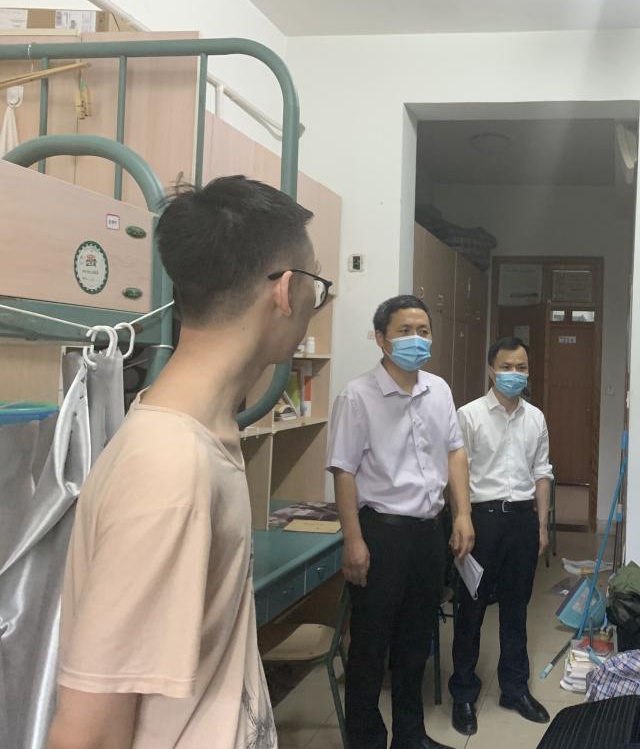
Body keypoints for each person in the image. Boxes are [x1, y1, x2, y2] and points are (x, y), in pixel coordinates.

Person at [48, 176, 325, 749]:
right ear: (286, 291)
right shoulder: (170, 469)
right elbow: (87, 733)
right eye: (316, 288)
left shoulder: (203, 434)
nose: (313, 307)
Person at [327, 294, 474, 749]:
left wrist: (462, 513)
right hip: (381, 535)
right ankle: (367, 741)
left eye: (423, 331)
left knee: (415, 644)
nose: (416, 339)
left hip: (428, 535)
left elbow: (455, 451)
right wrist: (353, 540)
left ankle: (410, 737)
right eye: (405, 331)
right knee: (370, 649)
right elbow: (343, 471)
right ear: (381, 339)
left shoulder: (439, 390)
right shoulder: (357, 396)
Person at [449, 337, 553, 736]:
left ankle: (515, 689)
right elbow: (457, 471)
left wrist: (541, 525)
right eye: (507, 367)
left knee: (516, 609)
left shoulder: (535, 418)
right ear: (491, 371)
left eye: (521, 367)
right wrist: (462, 518)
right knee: (471, 610)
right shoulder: (469, 415)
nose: (515, 374)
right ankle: (463, 692)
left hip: (522, 521)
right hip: (482, 521)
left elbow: (542, 472)